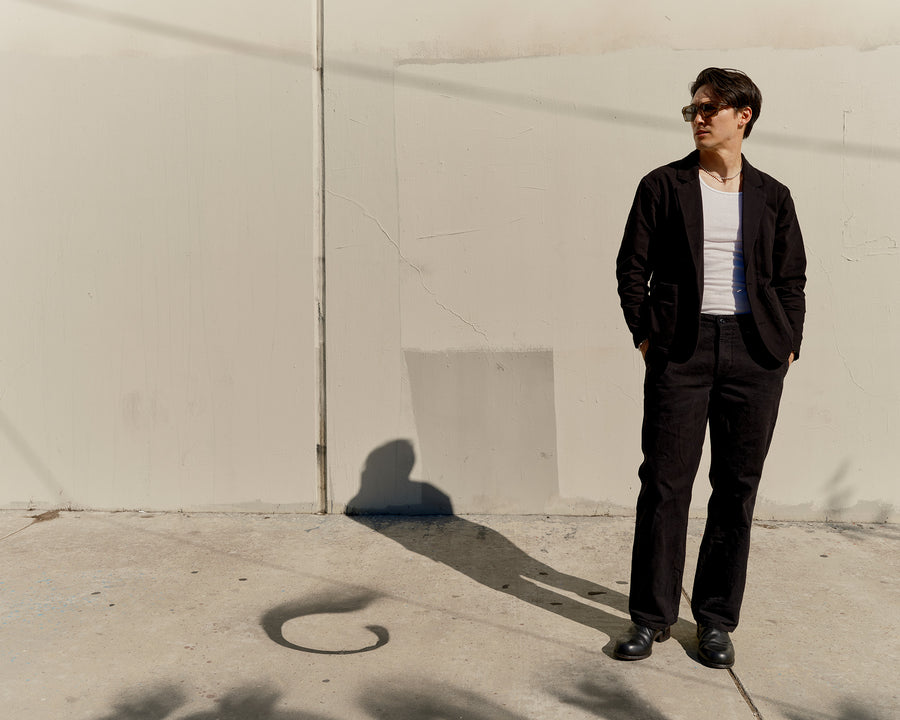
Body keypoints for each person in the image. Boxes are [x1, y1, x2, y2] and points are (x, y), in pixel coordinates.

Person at [613, 68, 806, 668]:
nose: (699, 117)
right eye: (693, 108)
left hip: (754, 353)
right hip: (682, 350)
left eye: (711, 107)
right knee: (665, 483)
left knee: (736, 490)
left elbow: (791, 275)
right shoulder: (663, 186)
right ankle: (651, 619)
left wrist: (788, 341)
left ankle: (717, 621)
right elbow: (631, 268)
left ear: (743, 115)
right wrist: (647, 336)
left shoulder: (772, 195)